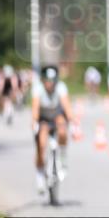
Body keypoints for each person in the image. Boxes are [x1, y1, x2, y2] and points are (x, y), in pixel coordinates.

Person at [31, 66, 76, 194]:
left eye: (52, 81)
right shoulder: (37, 89)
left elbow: (66, 106)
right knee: (42, 144)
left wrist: (72, 122)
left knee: (62, 128)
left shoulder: (61, 87)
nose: (49, 84)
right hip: (43, 118)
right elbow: (35, 108)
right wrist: (34, 123)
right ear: (43, 80)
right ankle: (40, 175)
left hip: (56, 115)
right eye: (47, 81)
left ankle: (62, 157)